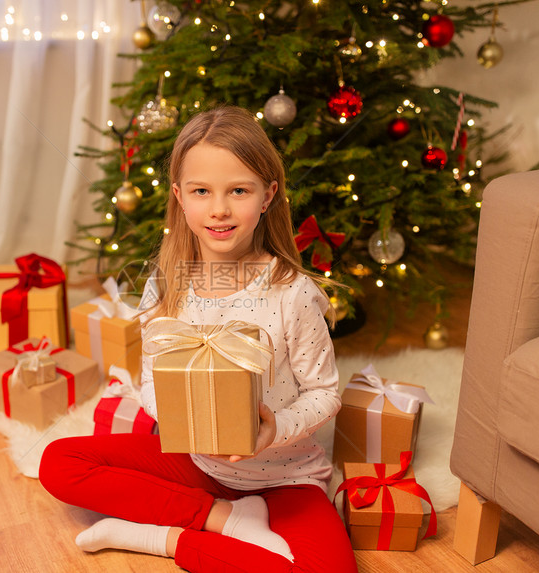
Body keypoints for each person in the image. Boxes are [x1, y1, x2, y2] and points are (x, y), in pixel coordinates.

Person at [40, 105, 357, 572]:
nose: (219, 209)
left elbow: (324, 394)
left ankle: (158, 537)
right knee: (58, 462)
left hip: (284, 476)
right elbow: (149, 381)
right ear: (179, 196)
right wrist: (180, 423)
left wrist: (273, 429)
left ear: (268, 195)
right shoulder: (166, 285)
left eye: (239, 190)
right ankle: (222, 518)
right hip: (196, 465)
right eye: (202, 191)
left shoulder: (292, 293)